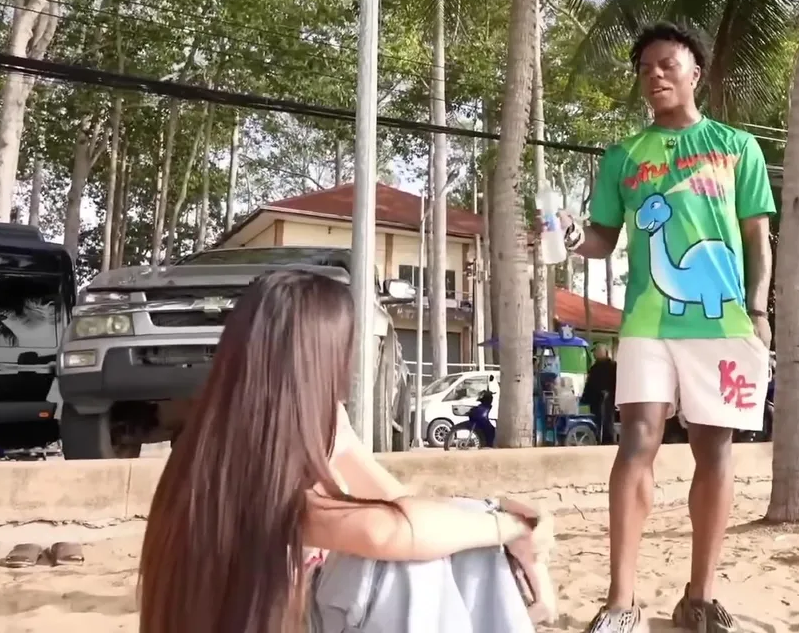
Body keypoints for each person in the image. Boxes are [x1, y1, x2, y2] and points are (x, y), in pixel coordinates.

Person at [137, 270, 555, 633]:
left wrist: (500, 517)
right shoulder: (251, 473)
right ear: (315, 367)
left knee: (449, 532)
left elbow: (401, 503)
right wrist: (508, 526)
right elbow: (386, 530)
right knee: (399, 564)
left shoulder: (221, 443)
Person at [549, 21, 775, 633]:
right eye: (645, 68)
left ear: (694, 72)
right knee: (637, 441)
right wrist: (572, 235)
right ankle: (620, 602)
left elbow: (757, 235)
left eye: (666, 64)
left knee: (714, 447)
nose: (654, 75)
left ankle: (699, 597)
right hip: (647, 320)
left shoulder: (736, 147)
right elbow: (602, 238)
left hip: (721, 321)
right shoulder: (623, 157)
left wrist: (758, 310)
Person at [582, 344, 618, 445]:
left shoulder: (613, 366)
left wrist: (609, 392)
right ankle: (598, 438)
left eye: (597, 352)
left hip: (608, 397)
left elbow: (616, 382)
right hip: (595, 399)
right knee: (596, 419)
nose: (595, 354)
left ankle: (607, 440)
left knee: (607, 419)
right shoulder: (594, 368)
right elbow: (590, 384)